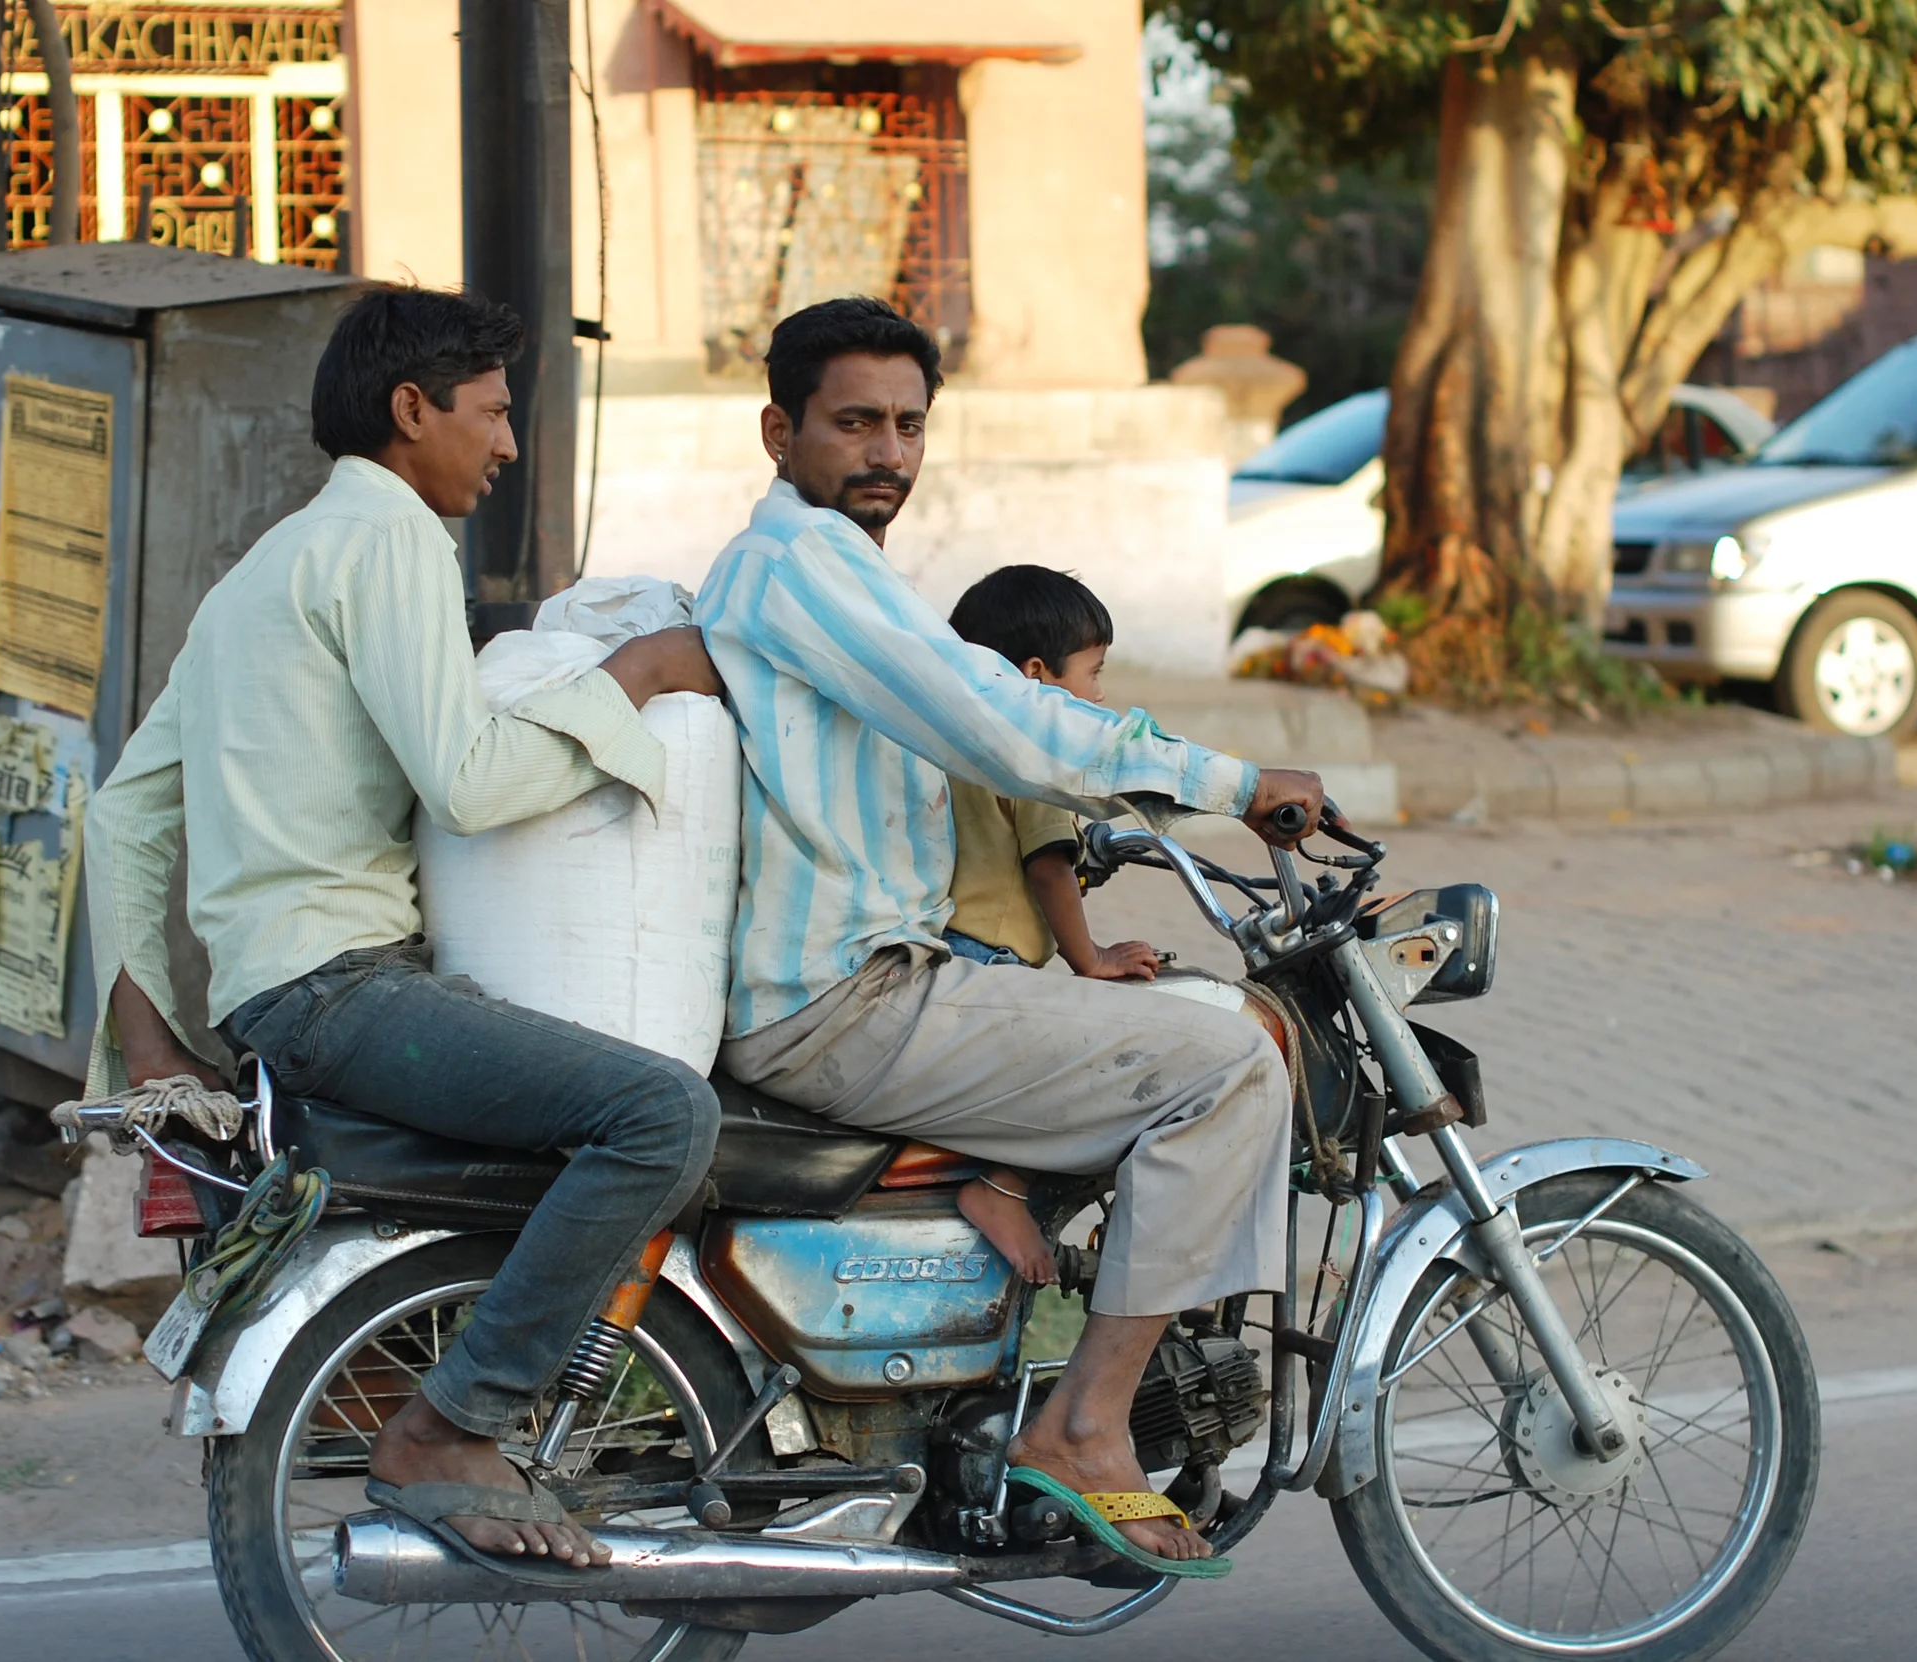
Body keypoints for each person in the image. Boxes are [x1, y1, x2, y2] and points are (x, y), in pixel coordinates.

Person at [82, 284, 723, 1570]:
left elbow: (120, 813)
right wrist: (637, 674)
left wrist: (149, 1045)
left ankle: (433, 1380)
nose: (506, 446)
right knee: (663, 1116)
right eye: (491, 413)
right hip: (344, 992)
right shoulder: (391, 542)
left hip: (274, 998)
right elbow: (469, 781)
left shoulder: (263, 569)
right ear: (412, 408)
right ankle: (453, 1423)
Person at [694, 297, 1324, 1570]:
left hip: (866, 982)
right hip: (848, 996)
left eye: (907, 425)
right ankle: (1084, 1425)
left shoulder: (831, 569)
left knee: (1147, 1036)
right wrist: (1229, 781)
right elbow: (998, 716)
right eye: (854, 423)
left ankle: (1018, 1384)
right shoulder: (801, 566)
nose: (886, 451)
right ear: (778, 432)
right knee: (1226, 1066)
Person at [938, 564, 1161, 1287]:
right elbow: (1048, 868)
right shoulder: (1032, 751)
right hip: (993, 958)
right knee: (1099, 1054)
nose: (1099, 695)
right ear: (1035, 675)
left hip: (946, 950)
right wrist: (1088, 959)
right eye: (1093, 673)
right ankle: (1003, 1186)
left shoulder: (958, 735)